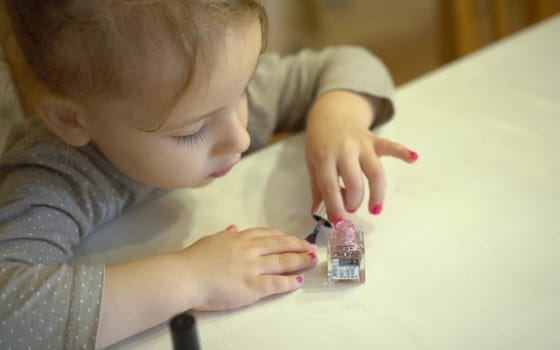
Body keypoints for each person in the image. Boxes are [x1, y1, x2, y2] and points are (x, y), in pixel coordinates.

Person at [0, 0, 418, 348]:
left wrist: (338, 118)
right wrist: (192, 278)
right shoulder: (51, 177)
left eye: (243, 91)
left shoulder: (212, 90)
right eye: (192, 131)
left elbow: (351, 61)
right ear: (71, 120)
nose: (238, 137)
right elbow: (11, 316)